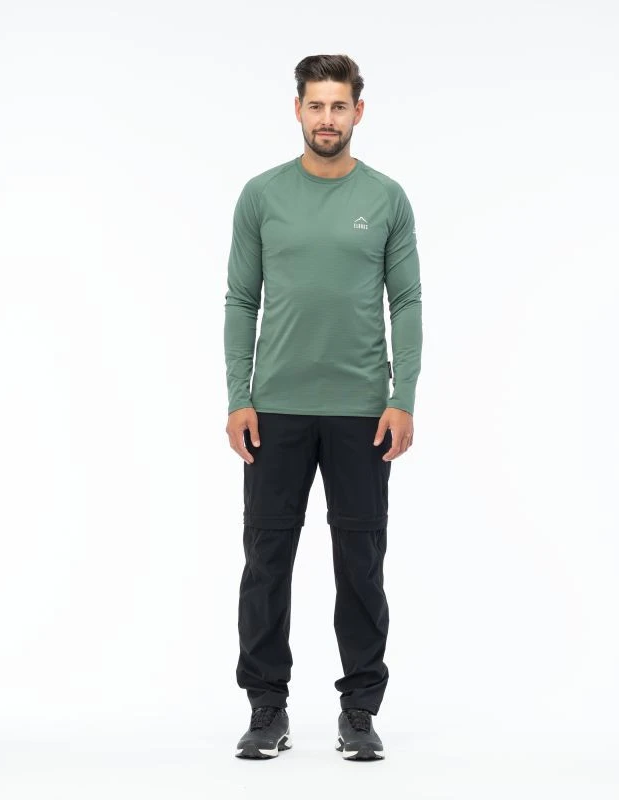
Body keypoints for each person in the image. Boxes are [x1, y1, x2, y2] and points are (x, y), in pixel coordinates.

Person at [223, 53, 423, 761]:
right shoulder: (261, 196)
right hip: (274, 409)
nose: (327, 118)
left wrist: (402, 398)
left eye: (339, 106)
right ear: (298, 110)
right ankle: (266, 708)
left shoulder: (388, 198)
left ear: (358, 112)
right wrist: (239, 397)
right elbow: (241, 300)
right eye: (316, 105)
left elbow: (406, 301)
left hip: (362, 412)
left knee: (360, 564)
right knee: (266, 561)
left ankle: (359, 710)